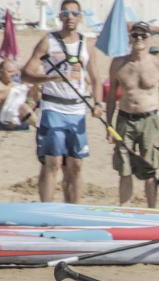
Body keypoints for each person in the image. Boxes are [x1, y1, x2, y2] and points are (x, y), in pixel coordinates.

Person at [22, 0, 103, 203]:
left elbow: (96, 79)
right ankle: (47, 210)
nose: (70, 17)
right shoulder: (48, 41)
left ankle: (73, 210)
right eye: (66, 13)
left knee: (75, 165)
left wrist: (99, 103)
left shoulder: (87, 44)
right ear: (59, 16)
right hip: (53, 107)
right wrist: (48, 79)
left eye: (74, 14)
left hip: (77, 109)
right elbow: (26, 74)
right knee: (53, 162)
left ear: (80, 17)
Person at [106, 22, 159, 208]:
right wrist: (109, 125)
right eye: (135, 35)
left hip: (149, 120)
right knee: (124, 168)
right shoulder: (118, 63)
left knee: (150, 169)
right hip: (124, 119)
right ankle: (124, 208)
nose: (139, 39)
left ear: (149, 38)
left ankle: (152, 209)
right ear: (129, 38)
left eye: (143, 36)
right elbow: (111, 97)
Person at [0, 60, 38, 130]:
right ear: (1, 71)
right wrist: (20, 87)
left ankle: (40, 126)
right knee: (23, 106)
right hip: (2, 122)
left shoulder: (16, 85)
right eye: (10, 72)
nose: (13, 75)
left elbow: (31, 101)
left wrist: (32, 91)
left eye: (15, 72)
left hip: (19, 119)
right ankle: (40, 127)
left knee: (28, 104)